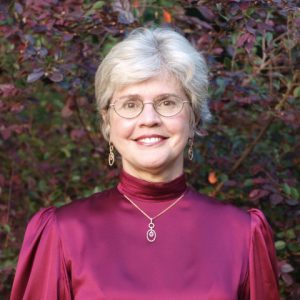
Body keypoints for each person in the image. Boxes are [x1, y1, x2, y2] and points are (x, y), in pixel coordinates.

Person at [10, 27, 280, 300]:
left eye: (167, 102)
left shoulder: (242, 235)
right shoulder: (62, 233)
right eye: (130, 105)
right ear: (107, 122)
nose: (149, 118)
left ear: (194, 118)